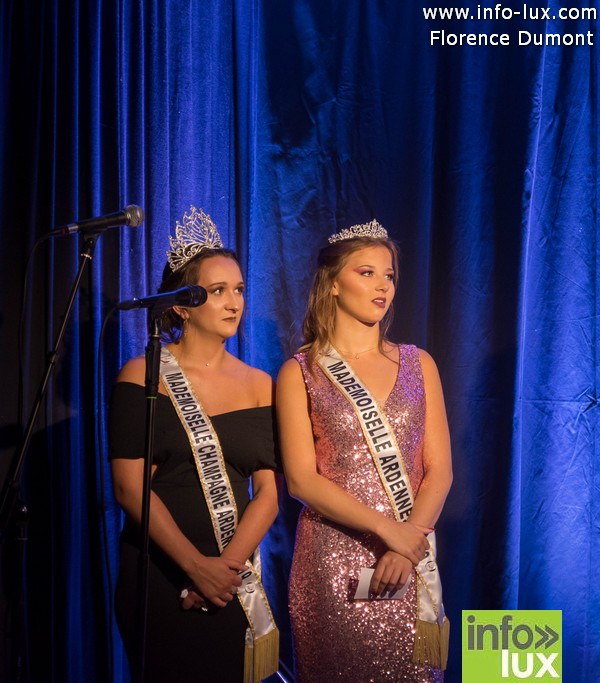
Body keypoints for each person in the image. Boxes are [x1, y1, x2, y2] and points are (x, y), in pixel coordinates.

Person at [109, 206, 279, 682]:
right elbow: (129, 488)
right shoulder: (142, 374)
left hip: (232, 578)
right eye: (217, 290)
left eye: (240, 290)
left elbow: (268, 492)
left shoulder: (260, 384)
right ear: (181, 304)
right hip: (163, 575)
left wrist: (221, 571)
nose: (234, 302)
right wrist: (193, 568)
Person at [278, 219, 453, 682]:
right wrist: (388, 531)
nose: (382, 285)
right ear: (333, 284)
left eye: (389, 275)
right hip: (332, 561)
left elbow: (440, 471)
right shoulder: (301, 372)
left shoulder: (420, 363)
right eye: (366, 273)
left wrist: (408, 542)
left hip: (409, 556)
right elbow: (301, 480)